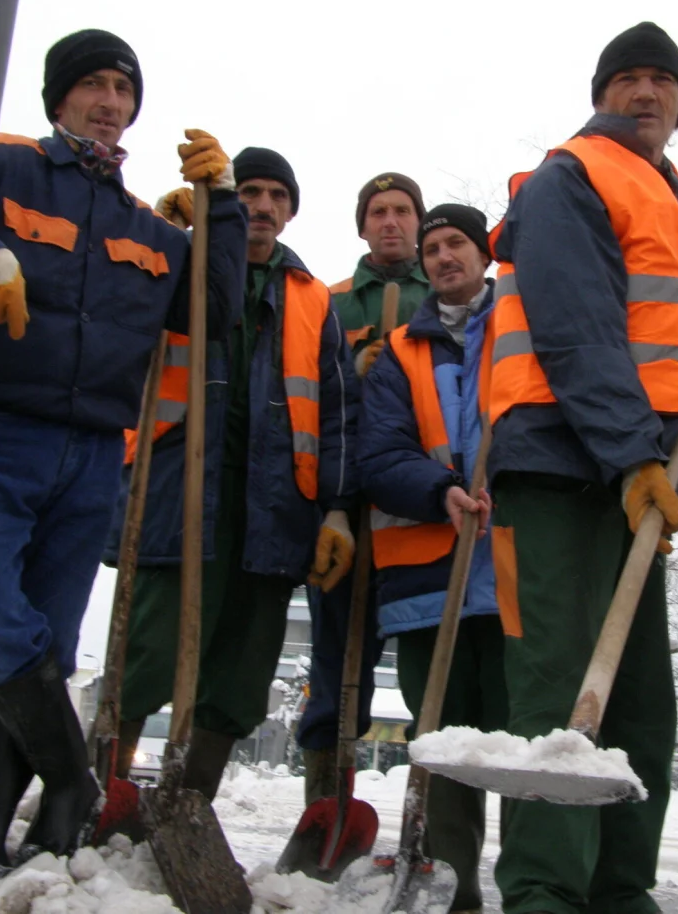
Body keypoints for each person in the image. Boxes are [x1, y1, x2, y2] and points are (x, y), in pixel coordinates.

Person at [0, 27, 247, 885]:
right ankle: (70, 784)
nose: (110, 104)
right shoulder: (2, 163)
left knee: (50, 645)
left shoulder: (145, 224)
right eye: (94, 86)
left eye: (123, 90)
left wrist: (217, 204)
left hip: (93, 454)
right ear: (59, 96)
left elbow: (212, 310)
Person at [484, 21, 678, 914]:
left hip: (639, 475)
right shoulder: (569, 176)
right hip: (554, 462)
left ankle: (622, 887)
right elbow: (576, 325)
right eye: (626, 78)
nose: (645, 92)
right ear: (600, 96)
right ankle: (545, 889)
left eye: (662, 80)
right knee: (555, 686)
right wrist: (633, 455)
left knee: (637, 700)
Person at [111, 147, 358, 804]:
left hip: (273, 511)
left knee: (240, 672)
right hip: (178, 495)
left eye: (277, 195)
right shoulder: (181, 268)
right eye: (248, 191)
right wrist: (169, 242)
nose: (262, 206)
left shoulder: (311, 299)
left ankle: (185, 806)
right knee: (147, 653)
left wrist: (333, 508)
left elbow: (334, 411)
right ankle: (97, 790)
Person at [360, 204, 503, 913]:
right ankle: (455, 885)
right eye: (433, 248)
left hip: (512, 578)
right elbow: (378, 454)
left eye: (457, 244)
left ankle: (540, 879)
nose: (445, 257)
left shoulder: (527, 324)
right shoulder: (399, 352)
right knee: (441, 741)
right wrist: (440, 488)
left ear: (483, 254)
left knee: (528, 742)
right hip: (427, 580)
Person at [296, 172, 430, 804]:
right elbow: (312, 400)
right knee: (335, 667)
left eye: (403, 210)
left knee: (432, 668)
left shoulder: (449, 298)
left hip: (425, 513)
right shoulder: (332, 303)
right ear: (362, 225)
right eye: (378, 211)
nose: (391, 221)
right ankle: (326, 801)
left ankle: (432, 809)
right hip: (346, 511)